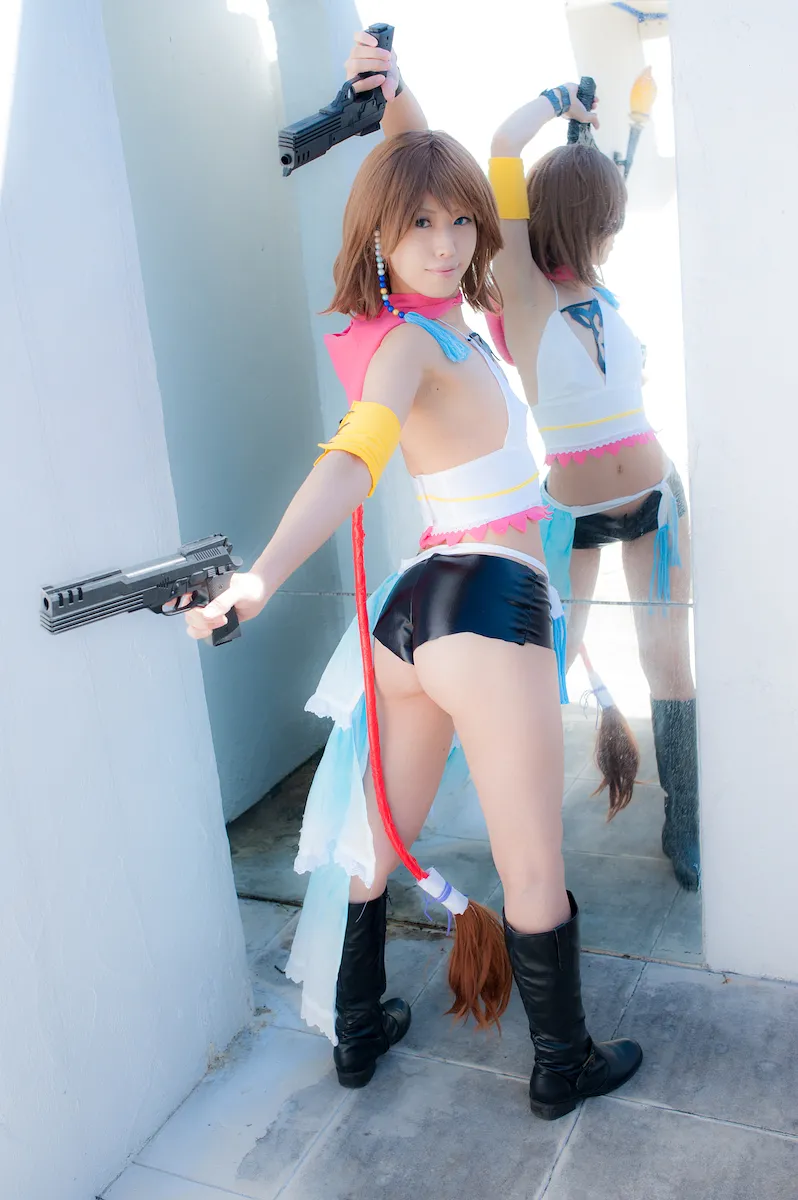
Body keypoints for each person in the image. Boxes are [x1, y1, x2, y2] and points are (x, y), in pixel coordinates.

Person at [169, 77, 641, 1120]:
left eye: (459, 219)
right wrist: (261, 575)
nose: (446, 240)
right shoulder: (408, 345)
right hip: (486, 606)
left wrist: (392, 87)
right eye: (419, 224)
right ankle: (562, 1064)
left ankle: (356, 1028)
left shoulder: (455, 326)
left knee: (383, 836)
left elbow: (420, 158)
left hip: (415, 617)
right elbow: (356, 455)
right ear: (379, 236)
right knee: (532, 860)